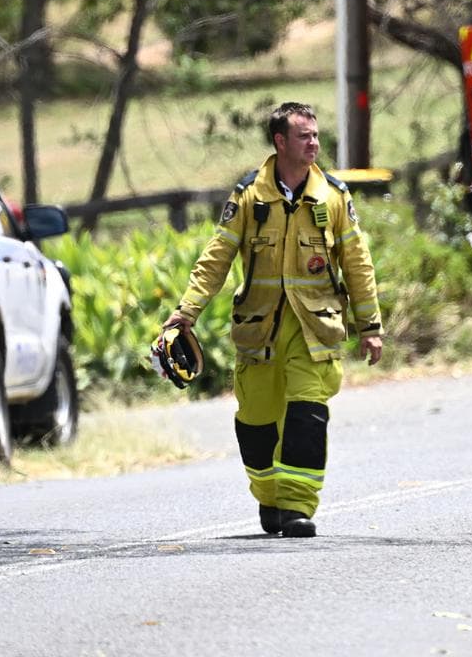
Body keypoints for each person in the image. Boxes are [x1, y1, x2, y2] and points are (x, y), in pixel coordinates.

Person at [163, 102, 384, 538]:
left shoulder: (334, 197)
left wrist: (370, 326)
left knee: (307, 411)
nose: (315, 143)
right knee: (256, 420)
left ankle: (298, 506)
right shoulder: (247, 197)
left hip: (314, 330)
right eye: (305, 136)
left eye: (316, 135)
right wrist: (186, 311)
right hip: (259, 329)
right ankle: (269, 496)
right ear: (280, 142)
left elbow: (358, 265)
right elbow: (217, 258)